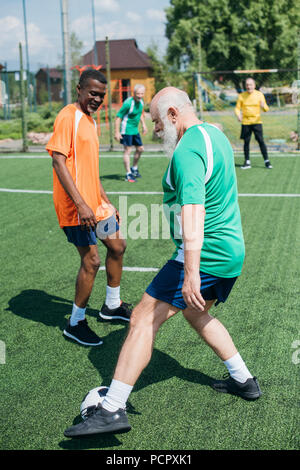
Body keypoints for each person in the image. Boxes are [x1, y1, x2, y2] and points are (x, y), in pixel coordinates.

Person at [64, 86, 262, 438]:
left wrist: (189, 272)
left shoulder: (186, 151)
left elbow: (192, 211)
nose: (154, 130)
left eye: (156, 121)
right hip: (232, 252)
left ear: (173, 114)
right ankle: (244, 380)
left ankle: (111, 409)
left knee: (142, 317)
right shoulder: (213, 133)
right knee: (195, 311)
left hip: (207, 254)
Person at [46, 69, 132, 348]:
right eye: (92, 93)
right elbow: (58, 162)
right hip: (75, 208)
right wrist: (82, 205)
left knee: (117, 246)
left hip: (95, 205)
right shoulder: (67, 116)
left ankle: (111, 306)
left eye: (101, 95)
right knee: (91, 261)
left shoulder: (91, 122)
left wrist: (104, 200)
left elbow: (90, 169)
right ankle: (75, 322)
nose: (97, 99)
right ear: (80, 89)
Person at [235, 77, 272, 170]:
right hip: (246, 123)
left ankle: (267, 161)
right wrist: (238, 115)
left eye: (250, 84)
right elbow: (237, 108)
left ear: (254, 85)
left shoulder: (259, 95)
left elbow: (266, 109)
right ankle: (247, 162)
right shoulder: (241, 96)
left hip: (257, 122)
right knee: (246, 142)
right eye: (247, 85)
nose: (249, 86)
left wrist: (263, 106)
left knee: (261, 141)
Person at [115, 84, 148, 182]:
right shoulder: (128, 103)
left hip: (135, 130)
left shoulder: (141, 102)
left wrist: (144, 125)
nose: (140, 95)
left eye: (142, 93)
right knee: (128, 151)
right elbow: (118, 117)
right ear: (134, 93)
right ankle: (128, 174)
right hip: (126, 130)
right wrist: (117, 132)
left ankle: (134, 168)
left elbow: (140, 114)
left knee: (140, 149)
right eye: (138, 93)